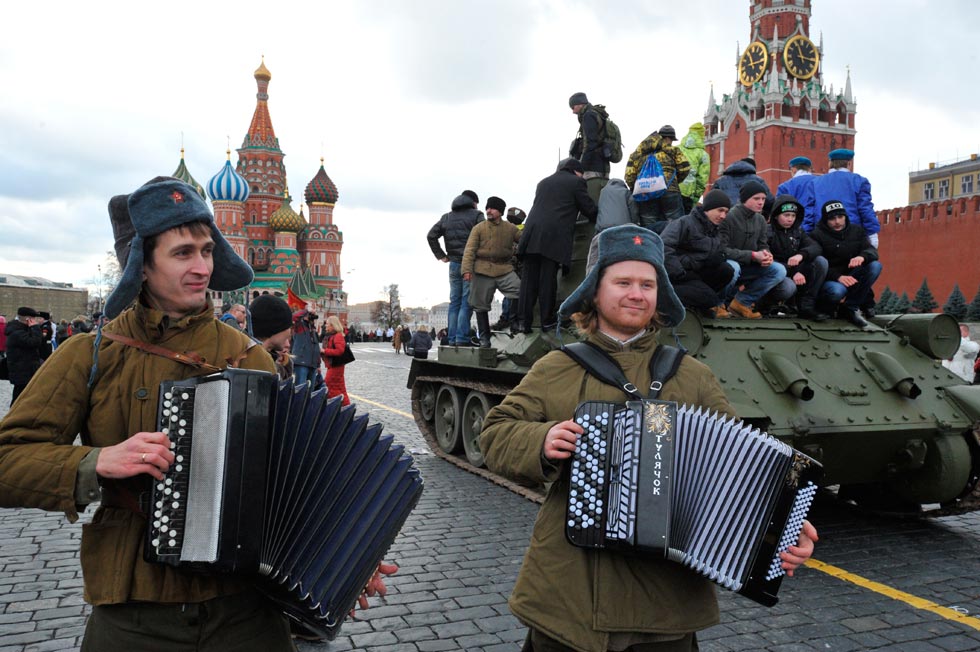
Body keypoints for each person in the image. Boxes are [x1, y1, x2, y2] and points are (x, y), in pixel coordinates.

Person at [480, 224, 818, 652]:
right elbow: (495, 433)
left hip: (666, 605)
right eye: (622, 282)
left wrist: (784, 527)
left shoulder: (693, 375)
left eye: (647, 284)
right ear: (594, 293)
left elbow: (746, 467)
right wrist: (541, 439)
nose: (636, 294)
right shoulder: (556, 367)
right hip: (570, 594)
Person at [0, 178, 295, 648]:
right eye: (183, 253)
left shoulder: (249, 356)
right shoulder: (88, 355)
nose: (202, 267)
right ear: (141, 266)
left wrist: (342, 559)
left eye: (206, 250)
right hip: (135, 608)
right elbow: (7, 461)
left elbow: (291, 480)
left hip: (244, 611)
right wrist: (94, 463)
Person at [518, 158, 598, 332]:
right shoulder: (576, 182)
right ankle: (547, 321)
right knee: (547, 280)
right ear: (577, 172)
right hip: (553, 236)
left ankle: (523, 322)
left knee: (528, 282)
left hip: (531, 234)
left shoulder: (543, 182)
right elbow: (588, 208)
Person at [661, 190, 736, 318]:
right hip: (677, 276)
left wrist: (718, 257)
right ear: (708, 208)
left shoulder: (715, 230)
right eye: (720, 210)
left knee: (726, 270)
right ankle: (664, 297)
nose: (723, 216)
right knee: (710, 299)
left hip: (695, 273)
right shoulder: (685, 223)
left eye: (726, 212)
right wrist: (679, 272)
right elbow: (664, 246)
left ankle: (696, 304)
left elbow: (712, 254)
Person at [720, 181, 789, 319]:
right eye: (756, 199)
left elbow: (763, 244)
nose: (761, 202)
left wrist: (766, 254)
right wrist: (752, 255)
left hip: (749, 267)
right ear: (745, 199)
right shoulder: (728, 217)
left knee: (779, 270)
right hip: (728, 266)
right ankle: (718, 304)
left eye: (763, 199)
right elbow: (722, 250)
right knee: (732, 267)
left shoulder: (761, 220)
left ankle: (741, 303)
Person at [809, 200, 882, 328]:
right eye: (832, 218)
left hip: (852, 276)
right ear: (825, 220)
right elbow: (816, 265)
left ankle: (850, 307)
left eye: (840, 217)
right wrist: (838, 277)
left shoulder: (856, 231)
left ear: (845, 217)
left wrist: (862, 256)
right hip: (830, 279)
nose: (837, 222)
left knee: (875, 266)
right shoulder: (817, 235)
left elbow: (872, 251)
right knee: (837, 291)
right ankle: (826, 309)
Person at [462, 196, 523, 343]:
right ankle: (484, 337)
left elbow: (524, 239)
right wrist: (467, 270)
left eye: (492, 208)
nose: (488, 210)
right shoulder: (479, 228)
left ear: (500, 211)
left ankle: (514, 322)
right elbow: (469, 250)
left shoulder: (510, 228)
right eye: (487, 208)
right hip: (482, 269)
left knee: (519, 291)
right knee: (479, 304)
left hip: (504, 268)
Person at [427, 192, 485, 346]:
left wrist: (442, 255)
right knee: (467, 302)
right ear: (473, 202)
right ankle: (462, 338)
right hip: (470, 264)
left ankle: (451, 338)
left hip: (453, 264)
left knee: (454, 303)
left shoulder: (447, 217)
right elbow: (484, 236)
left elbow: (431, 235)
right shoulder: (477, 215)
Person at [767, 194, 830, 321]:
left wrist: (801, 255)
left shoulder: (797, 231)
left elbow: (815, 247)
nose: (790, 219)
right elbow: (769, 261)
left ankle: (806, 306)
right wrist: (793, 272)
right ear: (776, 215)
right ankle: (768, 305)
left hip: (794, 272)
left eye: (793, 215)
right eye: (786, 215)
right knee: (788, 287)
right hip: (776, 274)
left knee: (820, 261)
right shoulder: (767, 232)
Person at [805, 149, 880, 248]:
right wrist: (872, 234)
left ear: (830, 163)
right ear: (849, 163)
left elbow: (808, 212)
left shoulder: (815, 183)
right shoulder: (859, 181)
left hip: (822, 235)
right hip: (852, 235)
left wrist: (807, 235)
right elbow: (866, 209)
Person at [624, 125, 691, 234]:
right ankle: (671, 249)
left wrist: (636, 187)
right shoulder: (673, 150)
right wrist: (674, 180)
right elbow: (685, 168)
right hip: (670, 191)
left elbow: (629, 176)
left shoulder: (638, 153)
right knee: (676, 226)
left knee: (648, 227)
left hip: (645, 193)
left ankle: (652, 248)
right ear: (668, 138)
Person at [568, 92, 610, 203]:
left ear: (580, 104)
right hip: (604, 164)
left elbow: (590, 143)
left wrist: (582, 167)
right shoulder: (598, 114)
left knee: (591, 200)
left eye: (573, 107)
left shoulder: (588, 116)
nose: (572, 111)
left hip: (592, 167)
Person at [4, 306, 45, 406]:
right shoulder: (17, 332)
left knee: (22, 396)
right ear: (28, 319)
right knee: (19, 398)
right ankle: (13, 418)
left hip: (25, 369)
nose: (35, 320)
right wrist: (35, 327)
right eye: (33, 318)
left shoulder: (20, 329)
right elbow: (35, 342)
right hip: (22, 370)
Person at [249, 294, 294, 380]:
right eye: (288, 327)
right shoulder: (258, 365)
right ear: (276, 328)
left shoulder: (256, 357)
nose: (288, 345)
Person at [677, 122, 711, 214]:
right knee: (682, 224)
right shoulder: (703, 155)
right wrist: (696, 199)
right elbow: (702, 179)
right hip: (687, 195)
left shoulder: (676, 149)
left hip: (671, 191)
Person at [776, 157, 816, 228]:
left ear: (793, 169)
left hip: (795, 227)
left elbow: (778, 209)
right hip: (819, 227)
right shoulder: (821, 182)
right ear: (809, 169)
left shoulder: (785, 186)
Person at [321, 315, 351, 406]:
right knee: (339, 387)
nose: (326, 326)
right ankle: (345, 406)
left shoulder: (337, 336)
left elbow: (339, 351)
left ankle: (337, 405)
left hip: (336, 366)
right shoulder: (331, 336)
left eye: (327, 324)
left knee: (330, 386)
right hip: (333, 365)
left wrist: (324, 351)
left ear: (333, 325)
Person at [291, 309, 320, 385]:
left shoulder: (312, 329)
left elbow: (316, 346)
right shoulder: (300, 326)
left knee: (310, 391)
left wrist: (318, 364)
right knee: (300, 389)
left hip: (312, 364)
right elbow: (294, 317)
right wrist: (306, 311)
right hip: (301, 363)